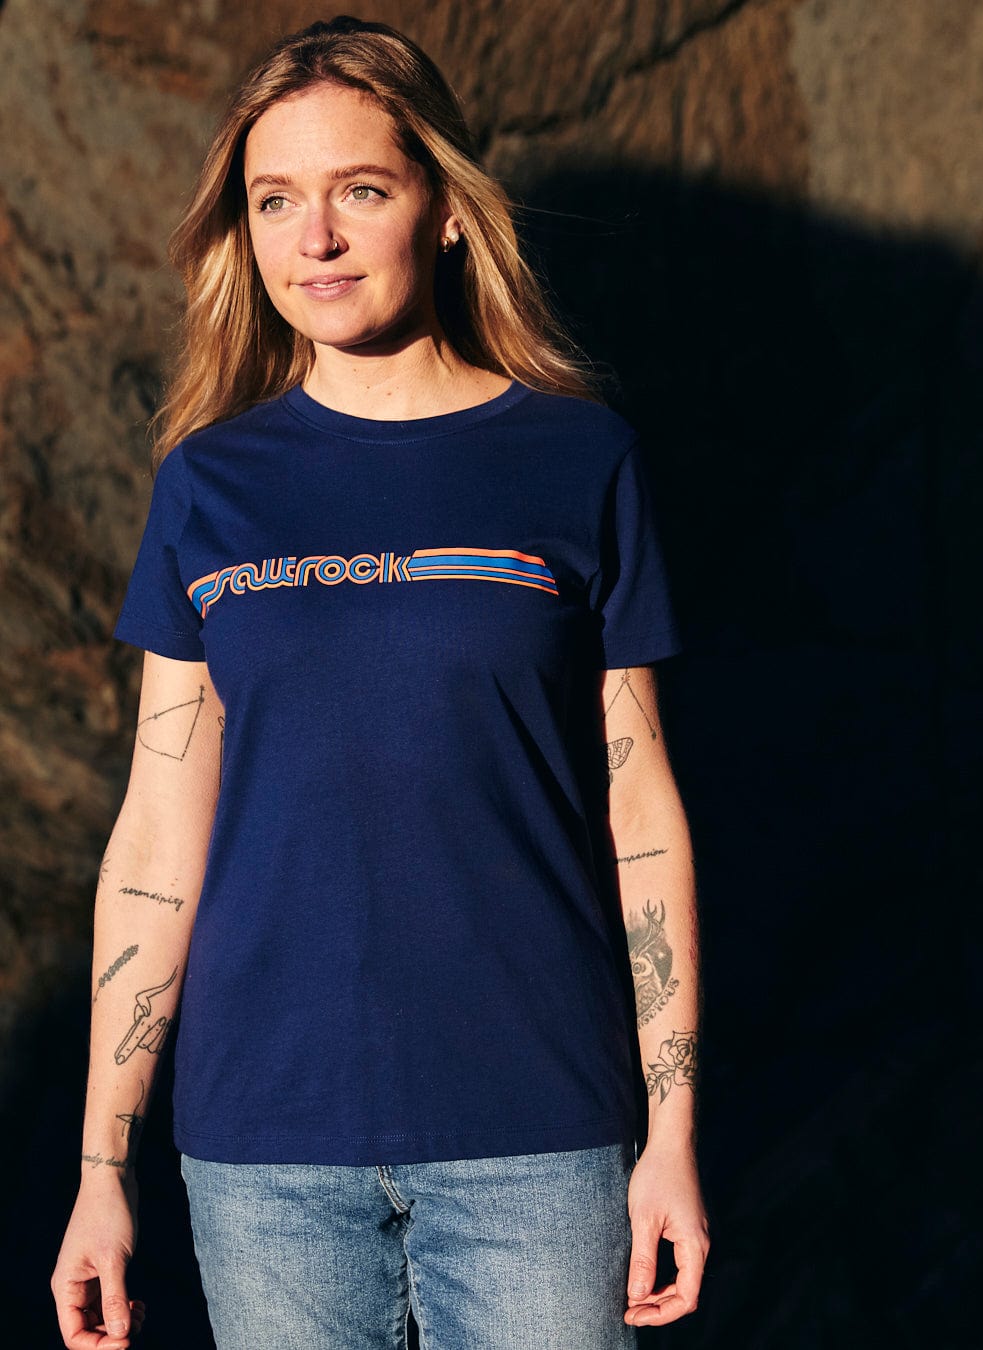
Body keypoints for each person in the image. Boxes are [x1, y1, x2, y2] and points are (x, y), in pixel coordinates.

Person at [50, 15, 708, 1349]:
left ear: (447, 209)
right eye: (275, 200)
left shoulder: (580, 462)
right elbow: (157, 838)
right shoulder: (209, 488)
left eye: (362, 189)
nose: (317, 238)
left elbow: (643, 817)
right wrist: (99, 1174)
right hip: (265, 1149)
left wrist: (672, 1131)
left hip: (540, 1130)